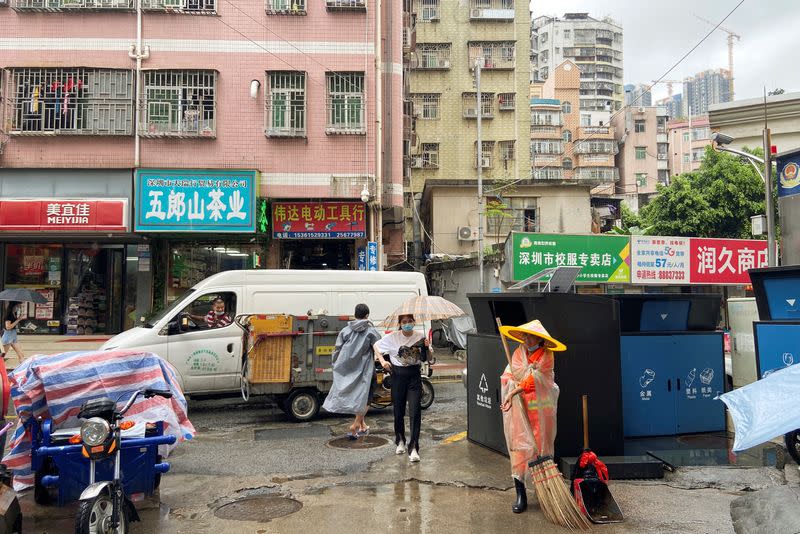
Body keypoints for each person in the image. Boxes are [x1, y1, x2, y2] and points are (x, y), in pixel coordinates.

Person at [498, 319, 565, 514]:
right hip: (521, 409)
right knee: (519, 448)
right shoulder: (518, 353)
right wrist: (510, 385)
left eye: (530, 335)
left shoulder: (546, 355)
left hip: (541, 409)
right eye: (524, 335)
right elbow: (508, 375)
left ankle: (546, 491)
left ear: (539, 338)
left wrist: (513, 391)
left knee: (542, 448)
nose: (526, 339)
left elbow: (534, 380)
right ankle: (521, 494)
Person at [374, 314, 431, 463]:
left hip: (414, 376)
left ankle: (414, 448)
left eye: (409, 321)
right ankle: (400, 440)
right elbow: (376, 346)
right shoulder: (393, 337)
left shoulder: (420, 336)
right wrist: (382, 361)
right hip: (397, 375)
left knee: (415, 411)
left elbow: (429, 358)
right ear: (400, 324)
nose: (407, 324)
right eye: (404, 322)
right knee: (398, 411)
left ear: (414, 322)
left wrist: (427, 347)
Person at [322, 303, 381, 439]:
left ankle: (362, 425)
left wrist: (336, 364)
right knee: (366, 397)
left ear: (355, 315)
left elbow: (337, 350)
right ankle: (355, 424)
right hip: (366, 369)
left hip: (348, 369)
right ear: (367, 316)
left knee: (356, 395)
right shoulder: (371, 331)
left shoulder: (345, 330)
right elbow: (379, 346)